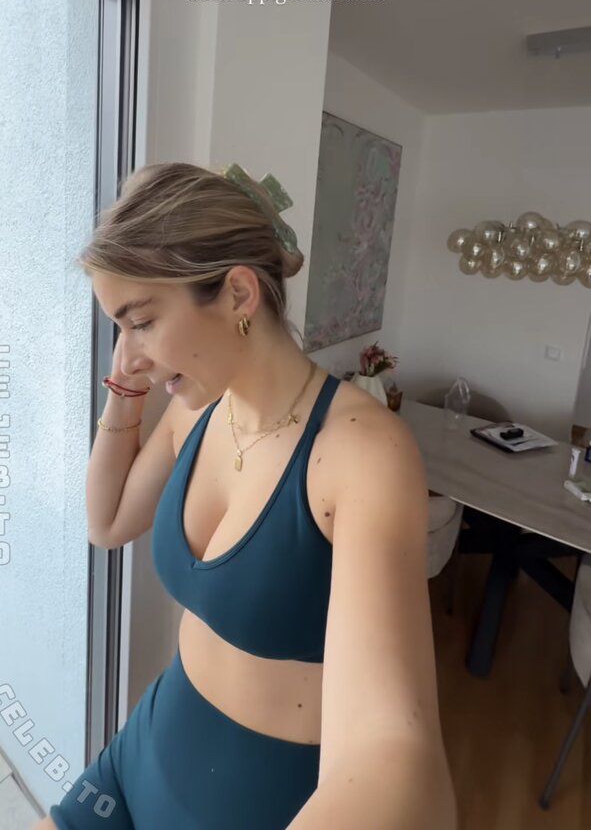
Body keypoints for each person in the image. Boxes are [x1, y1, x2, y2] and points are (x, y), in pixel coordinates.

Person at [34, 161, 456, 830]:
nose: (130, 352)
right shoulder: (200, 412)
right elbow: (106, 522)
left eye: (141, 322)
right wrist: (126, 390)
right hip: (147, 746)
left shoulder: (361, 454)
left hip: (259, 797)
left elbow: (393, 750)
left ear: (236, 293)